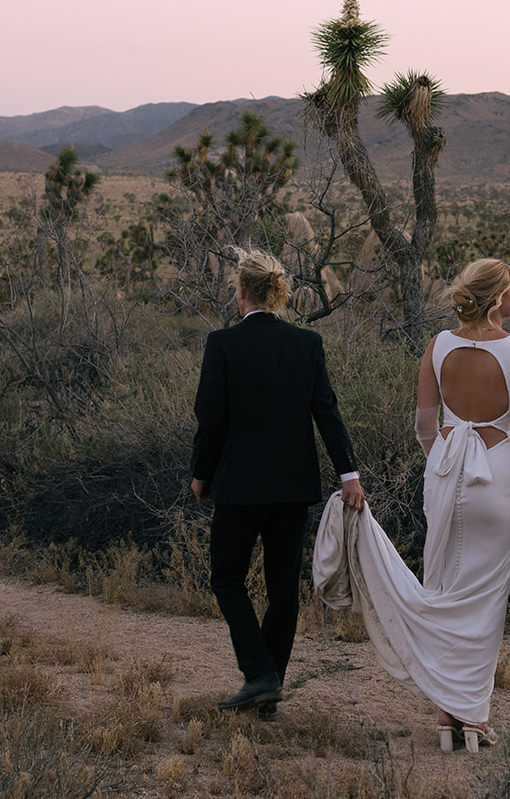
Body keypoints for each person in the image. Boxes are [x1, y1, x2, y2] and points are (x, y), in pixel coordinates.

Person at [313, 258, 510, 753]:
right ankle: (474, 718)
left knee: (442, 582)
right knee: (485, 598)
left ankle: (448, 713)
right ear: (496, 299)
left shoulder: (438, 346)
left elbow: (425, 425)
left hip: (444, 477)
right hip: (495, 477)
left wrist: (444, 463)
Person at [191, 248, 366, 715]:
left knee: (226, 576)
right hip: (293, 487)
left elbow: (210, 420)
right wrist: (349, 473)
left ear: (242, 290)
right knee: (282, 588)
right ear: (277, 292)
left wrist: (201, 475)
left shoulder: (222, 344)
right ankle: (268, 687)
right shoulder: (306, 344)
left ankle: (260, 673)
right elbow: (326, 411)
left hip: (240, 485)